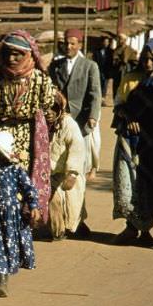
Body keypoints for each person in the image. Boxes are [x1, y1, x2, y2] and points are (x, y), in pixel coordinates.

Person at [0, 30, 56, 232]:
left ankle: (18, 237)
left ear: (29, 55)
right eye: (7, 53)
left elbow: (48, 106)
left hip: (26, 140)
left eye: (17, 54)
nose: (11, 58)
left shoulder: (41, 81)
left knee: (20, 188)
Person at [112, 39, 153, 245]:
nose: (148, 64)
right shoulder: (130, 79)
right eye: (144, 59)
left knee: (151, 185)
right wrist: (129, 117)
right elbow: (118, 106)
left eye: (152, 60)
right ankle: (131, 228)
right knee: (129, 182)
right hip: (131, 140)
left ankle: (147, 230)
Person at [48, 28, 101, 237]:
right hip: (60, 126)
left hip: (81, 125)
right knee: (59, 172)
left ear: (80, 44)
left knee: (77, 176)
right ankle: (62, 218)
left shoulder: (90, 66)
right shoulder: (56, 65)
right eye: (66, 43)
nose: (68, 47)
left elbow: (95, 93)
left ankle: (78, 219)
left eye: (72, 43)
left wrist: (93, 117)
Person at [0, 128, 39, 298]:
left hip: (10, 215)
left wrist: (33, 205)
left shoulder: (14, 170)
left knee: (7, 245)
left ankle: (2, 280)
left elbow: (28, 187)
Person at [47, 91, 88, 240]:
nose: (49, 113)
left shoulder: (69, 124)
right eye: (46, 108)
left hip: (67, 172)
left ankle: (77, 225)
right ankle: (58, 231)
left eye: (53, 108)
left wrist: (72, 173)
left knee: (74, 205)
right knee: (53, 200)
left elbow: (77, 148)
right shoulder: (39, 124)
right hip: (48, 173)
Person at [112, 33, 138, 98]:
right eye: (118, 39)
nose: (119, 40)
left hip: (125, 71)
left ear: (125, 40)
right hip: (117, 71)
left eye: (120, 39)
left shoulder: (128, 49)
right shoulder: (117, 49)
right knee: (116, 86)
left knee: (124, 86)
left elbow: (130, 60)